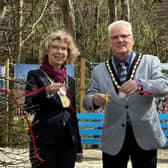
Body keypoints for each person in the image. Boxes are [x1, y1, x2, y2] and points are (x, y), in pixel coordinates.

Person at [83, 20, 168, 168]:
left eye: (124, 35)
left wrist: (140, 84)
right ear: (109, 42)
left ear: (132, 39)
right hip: (113, 137)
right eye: (115, 37)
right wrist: (94, 100)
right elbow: (87, 100)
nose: (120, 40)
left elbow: (164, 86)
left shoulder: (150, 61)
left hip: (145, 135)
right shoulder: (99, 70)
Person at [24, 30, 82, 168]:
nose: (59, 52)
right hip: (43, 140)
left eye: (64, 49)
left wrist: (78, 146)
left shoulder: (71, 80)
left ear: (68, 53)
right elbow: (29, 105)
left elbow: (73, 114)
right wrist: (46, 92)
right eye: (55, 47)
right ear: (47, 51)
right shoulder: (35, 76)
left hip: (68, 141)